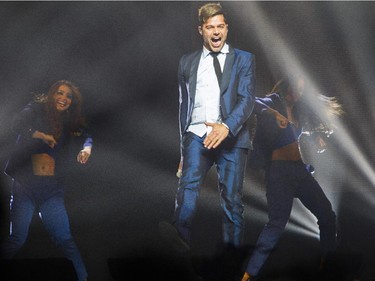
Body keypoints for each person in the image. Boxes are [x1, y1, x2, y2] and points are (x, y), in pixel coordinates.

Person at [159, 1, 255, 269]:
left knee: (232, 200)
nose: (216, 32)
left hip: (231, 136)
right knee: (187, 186)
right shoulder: (187, 62)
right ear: (201, 30)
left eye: (221, 26)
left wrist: (227, 127)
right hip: (197, 133)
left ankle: (232, 261)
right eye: (210, 27)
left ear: (227, 28)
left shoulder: (244, 59)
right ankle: (180, 240)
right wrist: (182, 149)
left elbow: (247, 100)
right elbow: (183, 106)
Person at [241, 75, 343, 281]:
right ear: (286, 87)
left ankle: (328, 267)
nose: (296, 93)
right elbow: (249, 101)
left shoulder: (297, 112)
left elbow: (298, 133)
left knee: (327, 216)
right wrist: (273, 113)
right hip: (279, 173)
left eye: (300, 90)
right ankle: (247, 276)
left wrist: (317, 138)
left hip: (300, 172)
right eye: (295, 87)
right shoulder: (274, 102)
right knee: (277, 224)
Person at [0, 80, 93, 281]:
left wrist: (86, 149)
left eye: (68, 96)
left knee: (65, 239)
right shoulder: (35, 109)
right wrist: (40, 134)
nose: (63, 98)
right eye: (60, 93)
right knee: (17, 239)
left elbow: (86, 135)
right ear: (52, 95)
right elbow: (17, 124)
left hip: (51, 190)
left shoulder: (70, 120)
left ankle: (83, 278)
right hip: (26, 186)